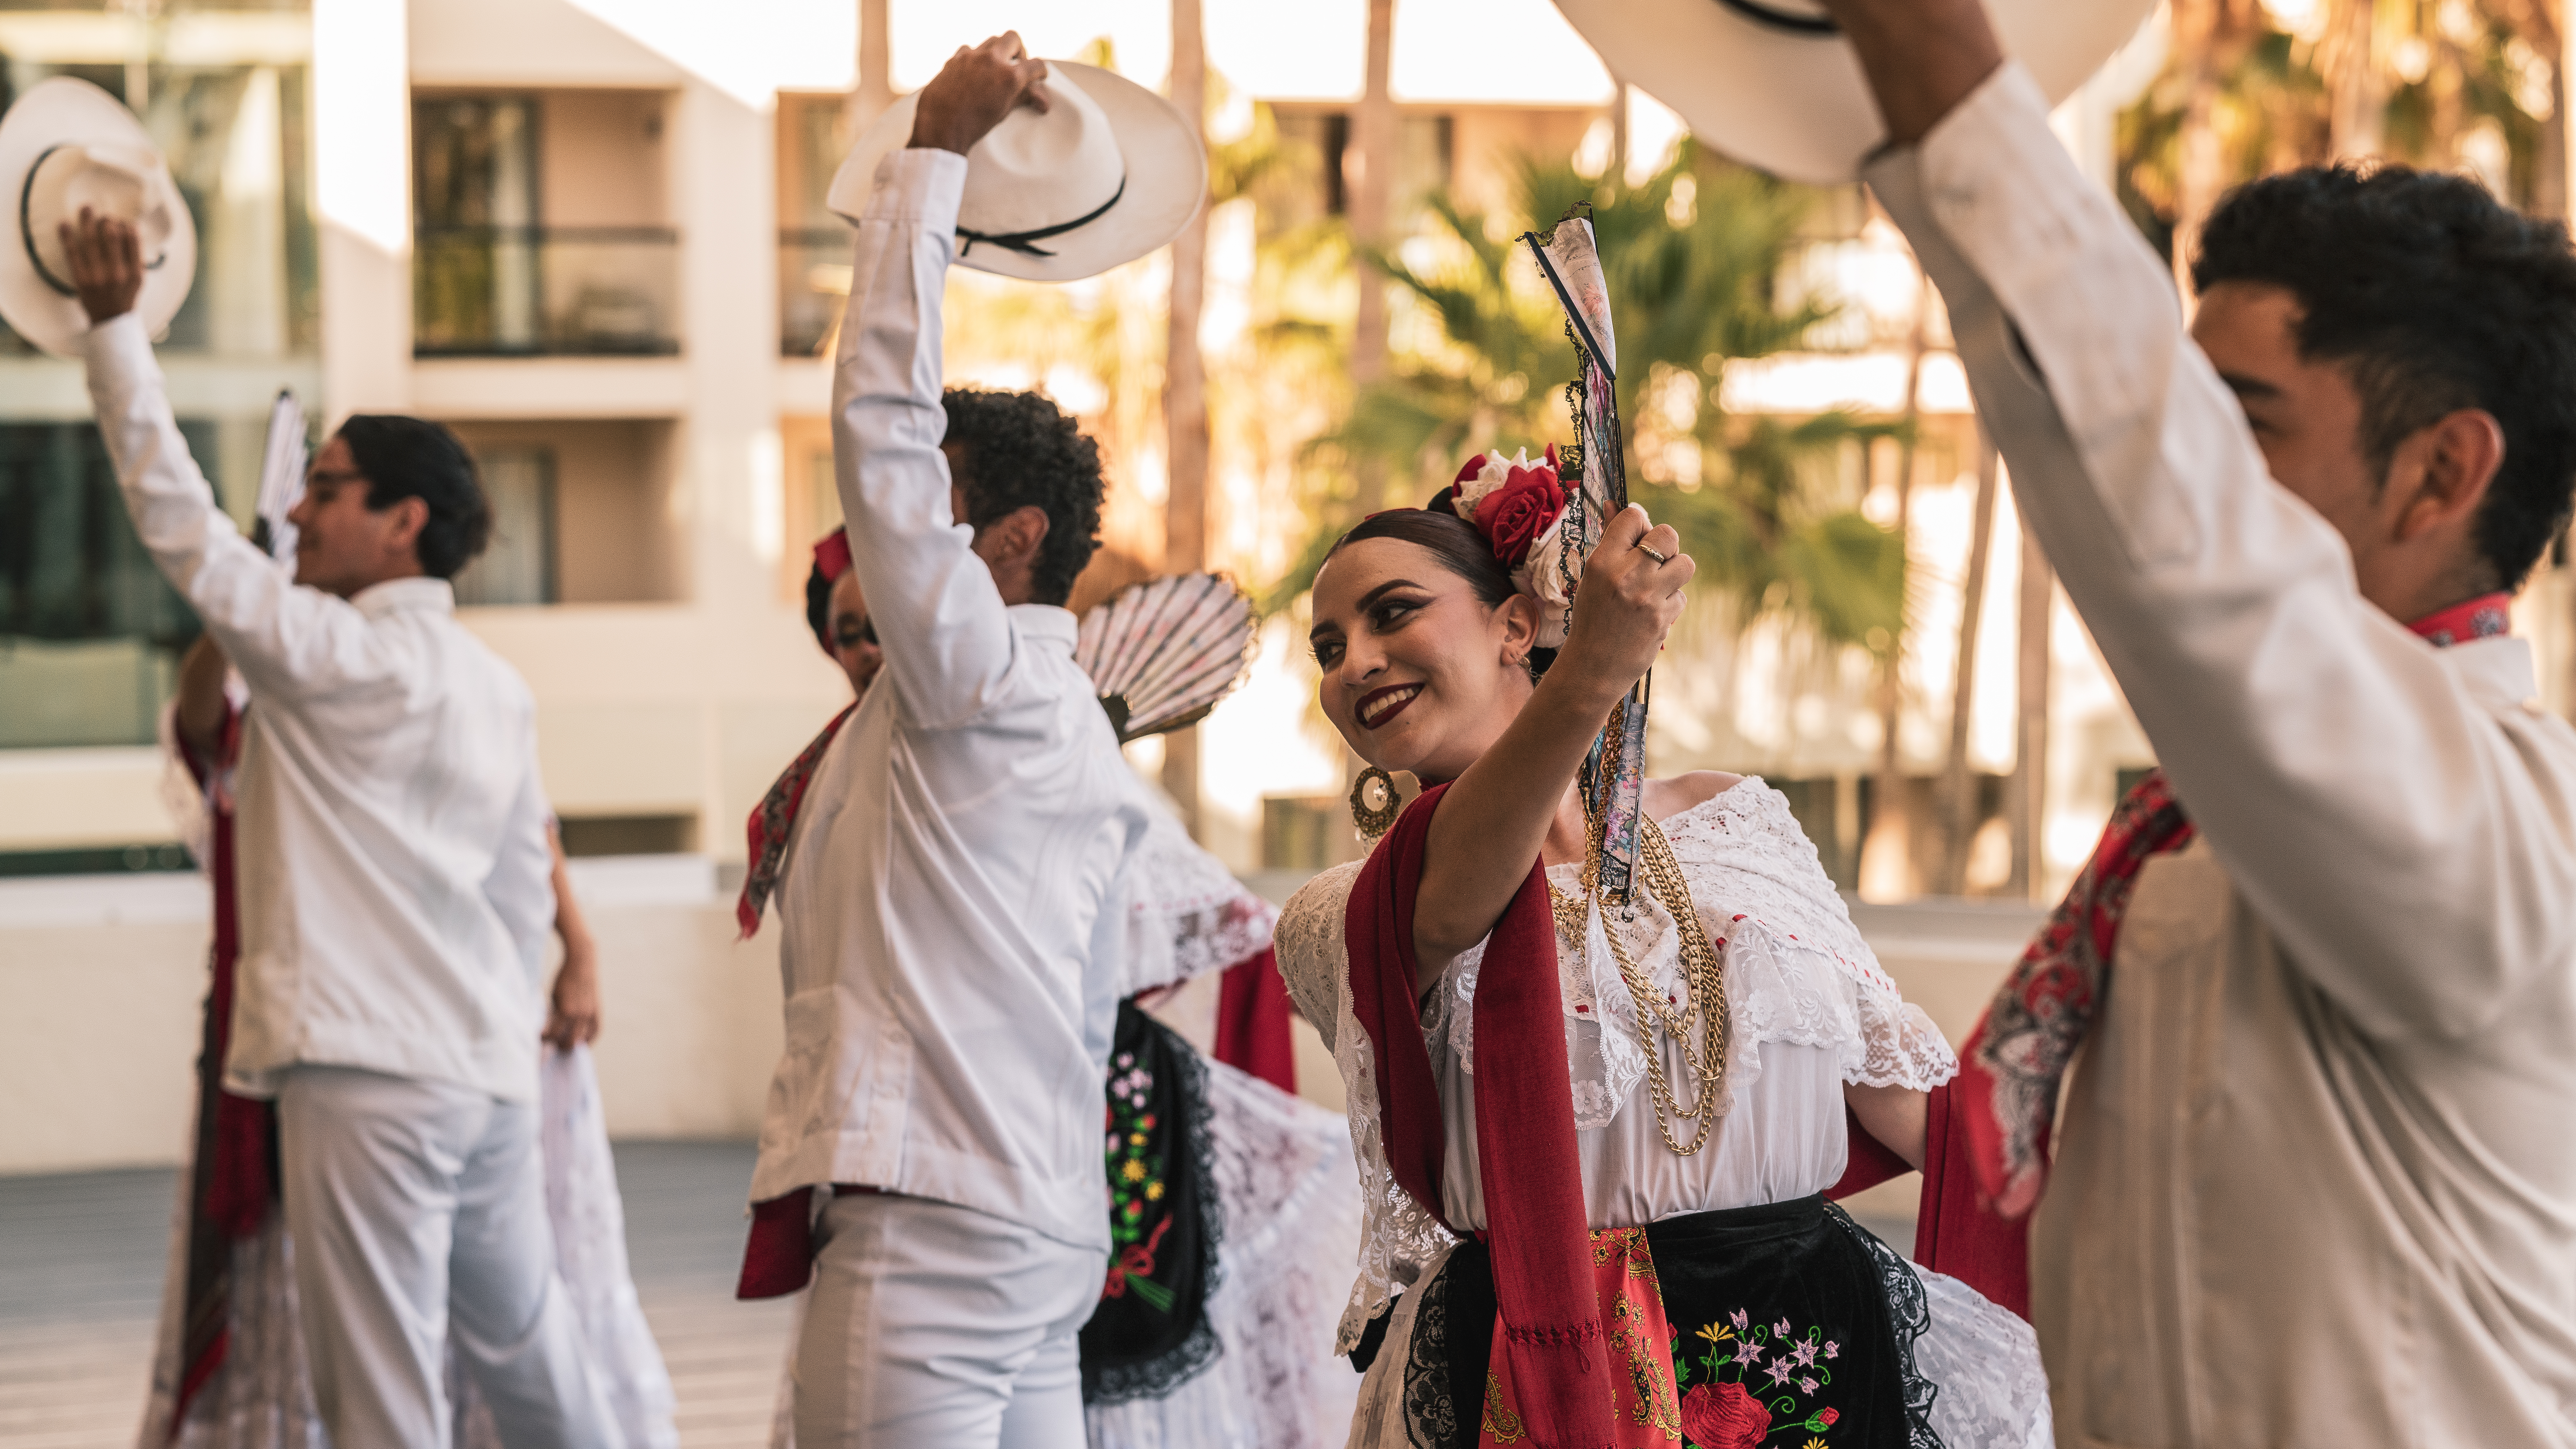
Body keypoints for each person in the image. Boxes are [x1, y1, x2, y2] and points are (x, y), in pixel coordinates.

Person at [1813, 0, 2576, 1442]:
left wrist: (1955, 99)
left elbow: (2192, 552)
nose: (2186, 473)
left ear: (2438, 476)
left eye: (2243, 427)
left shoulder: (2507, 828)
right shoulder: (2204, 834)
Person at [1272, 453, 2051, 1449]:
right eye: (1328, 648)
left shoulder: (1735, 821)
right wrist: (1597, 672)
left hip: (1804, 1355)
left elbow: (1903, 1100)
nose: (1354, 664)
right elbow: (1456, 893)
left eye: (1392, 614)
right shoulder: (1345, 912)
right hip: (1540, 1381)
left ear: (1516, 623)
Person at [61, 211, 624, 1448]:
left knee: (380, 1408)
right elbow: (522, 888)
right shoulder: (494, 684)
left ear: (404, 521)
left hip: (368, 1079)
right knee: (540, 1376)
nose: (300, 517)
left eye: (325, 491)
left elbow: (179, 523)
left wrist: (113, 332)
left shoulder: (332, 657)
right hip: (485, 1078)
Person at [726, 34, 1164, 1449]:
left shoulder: (970, 677)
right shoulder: (1063, 725)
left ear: (1013, 541)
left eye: (930, 508)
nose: (880, 542)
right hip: (1037, 1229)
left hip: (934, 1232)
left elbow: (878, 425)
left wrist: (931, 156)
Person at [742, 530, 1364, 1449]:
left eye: (883, 621)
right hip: (909, 1165)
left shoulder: (1031, 752)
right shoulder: (838, 780)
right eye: (848, 631)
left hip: (1060, 1159)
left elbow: (1221, 942)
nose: (870, 645)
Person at [136, 632, 674, 1449]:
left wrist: (581, 947)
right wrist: (235, 605)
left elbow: (524, 828)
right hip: (332, 1048)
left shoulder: (432, 676)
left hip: (455, 1036)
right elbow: (205, 722)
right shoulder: (279, 699)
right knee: (373, 1328)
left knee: (500, 1326)